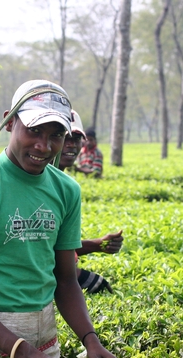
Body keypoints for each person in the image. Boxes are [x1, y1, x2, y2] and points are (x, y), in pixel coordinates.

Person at [0, 80, 118, 358]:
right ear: (10, 122)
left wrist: (90, 339)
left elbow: (65, 279)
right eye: (34, 130)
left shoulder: (66, 190)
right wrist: (23, 353)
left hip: (46, 348)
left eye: (56, 135)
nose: (44, 146)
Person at [58, 110, 123, 294]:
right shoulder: (37, 182)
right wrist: (77, 276)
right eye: (64, 138)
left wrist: (98, 244)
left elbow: (58, 245)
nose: (70, 145)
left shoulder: (67, 186)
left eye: (76, 139)